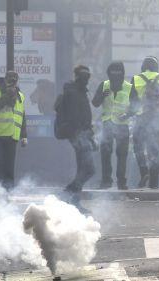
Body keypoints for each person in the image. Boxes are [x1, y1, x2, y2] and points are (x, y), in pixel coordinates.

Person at [128, 56, 159, 188]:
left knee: (138, 148)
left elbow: (132, 102)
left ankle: (145, 173)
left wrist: (127, 114)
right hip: (158, 120)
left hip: (141, 119)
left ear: (143, 67)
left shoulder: (136, 79)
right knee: (153, 152)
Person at [92, 62, 131, 190]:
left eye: (117, 75)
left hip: (122, 125)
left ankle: (121, 182)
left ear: (122, 75)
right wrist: (102, 95)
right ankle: (106, 181)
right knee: (105, 153)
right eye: (112, 75)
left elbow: (136, 105)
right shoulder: (104, 85)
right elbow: (95, 103)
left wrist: (127, 114)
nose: (115, 78)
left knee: (122, 154)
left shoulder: (129, 87)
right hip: (107, 124)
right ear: (109, 74)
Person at [0, 72, 27, 190]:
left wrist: (24, 136)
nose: (12, 82)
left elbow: (22, 116)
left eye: (14, 80)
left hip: (12, 136)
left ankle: (7, 195)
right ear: (5, 79)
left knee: (9, 169)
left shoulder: (20, 95)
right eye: (10, 79)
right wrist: (7, 95)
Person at [62, 65, 95, 213]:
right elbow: (75, 117)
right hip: (78, 135)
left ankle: (74, 201)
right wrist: (81, 135)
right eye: (83, 75)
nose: (86, 79)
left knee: (83, 169)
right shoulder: (73, 92)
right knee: (89, 169)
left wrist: (91, 137)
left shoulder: (80, 91)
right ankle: (69, 192)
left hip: (83, 135)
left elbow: (85, 116)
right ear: (77, 76)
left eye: (88, 76)